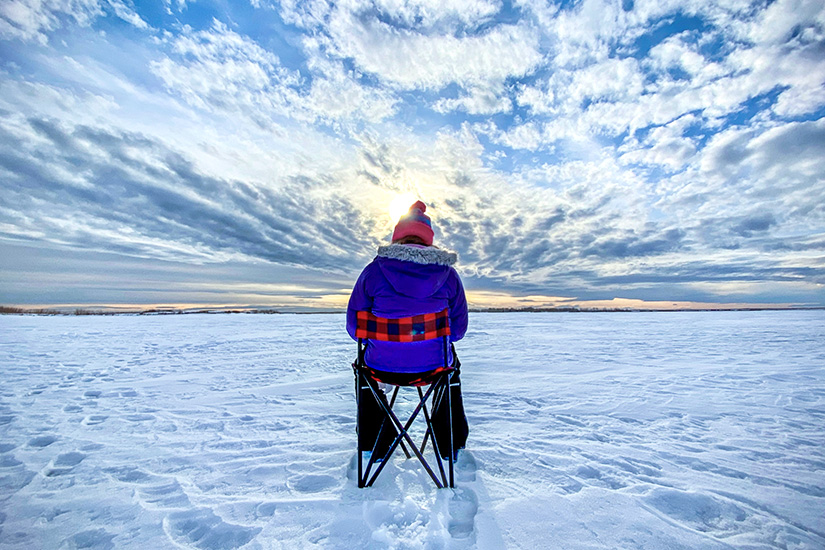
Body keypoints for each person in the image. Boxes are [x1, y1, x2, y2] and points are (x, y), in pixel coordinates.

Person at [347, 200, 469, 462]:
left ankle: (376, 441)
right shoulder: (448, 275)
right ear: (428, 240)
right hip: (434, 368)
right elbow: (457, 331)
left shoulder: (372, 271)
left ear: (397, 238)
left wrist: (386, 339)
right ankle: (449, 443)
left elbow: (355, 328)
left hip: (380, 367)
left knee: (361, 369)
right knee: (452, 367)